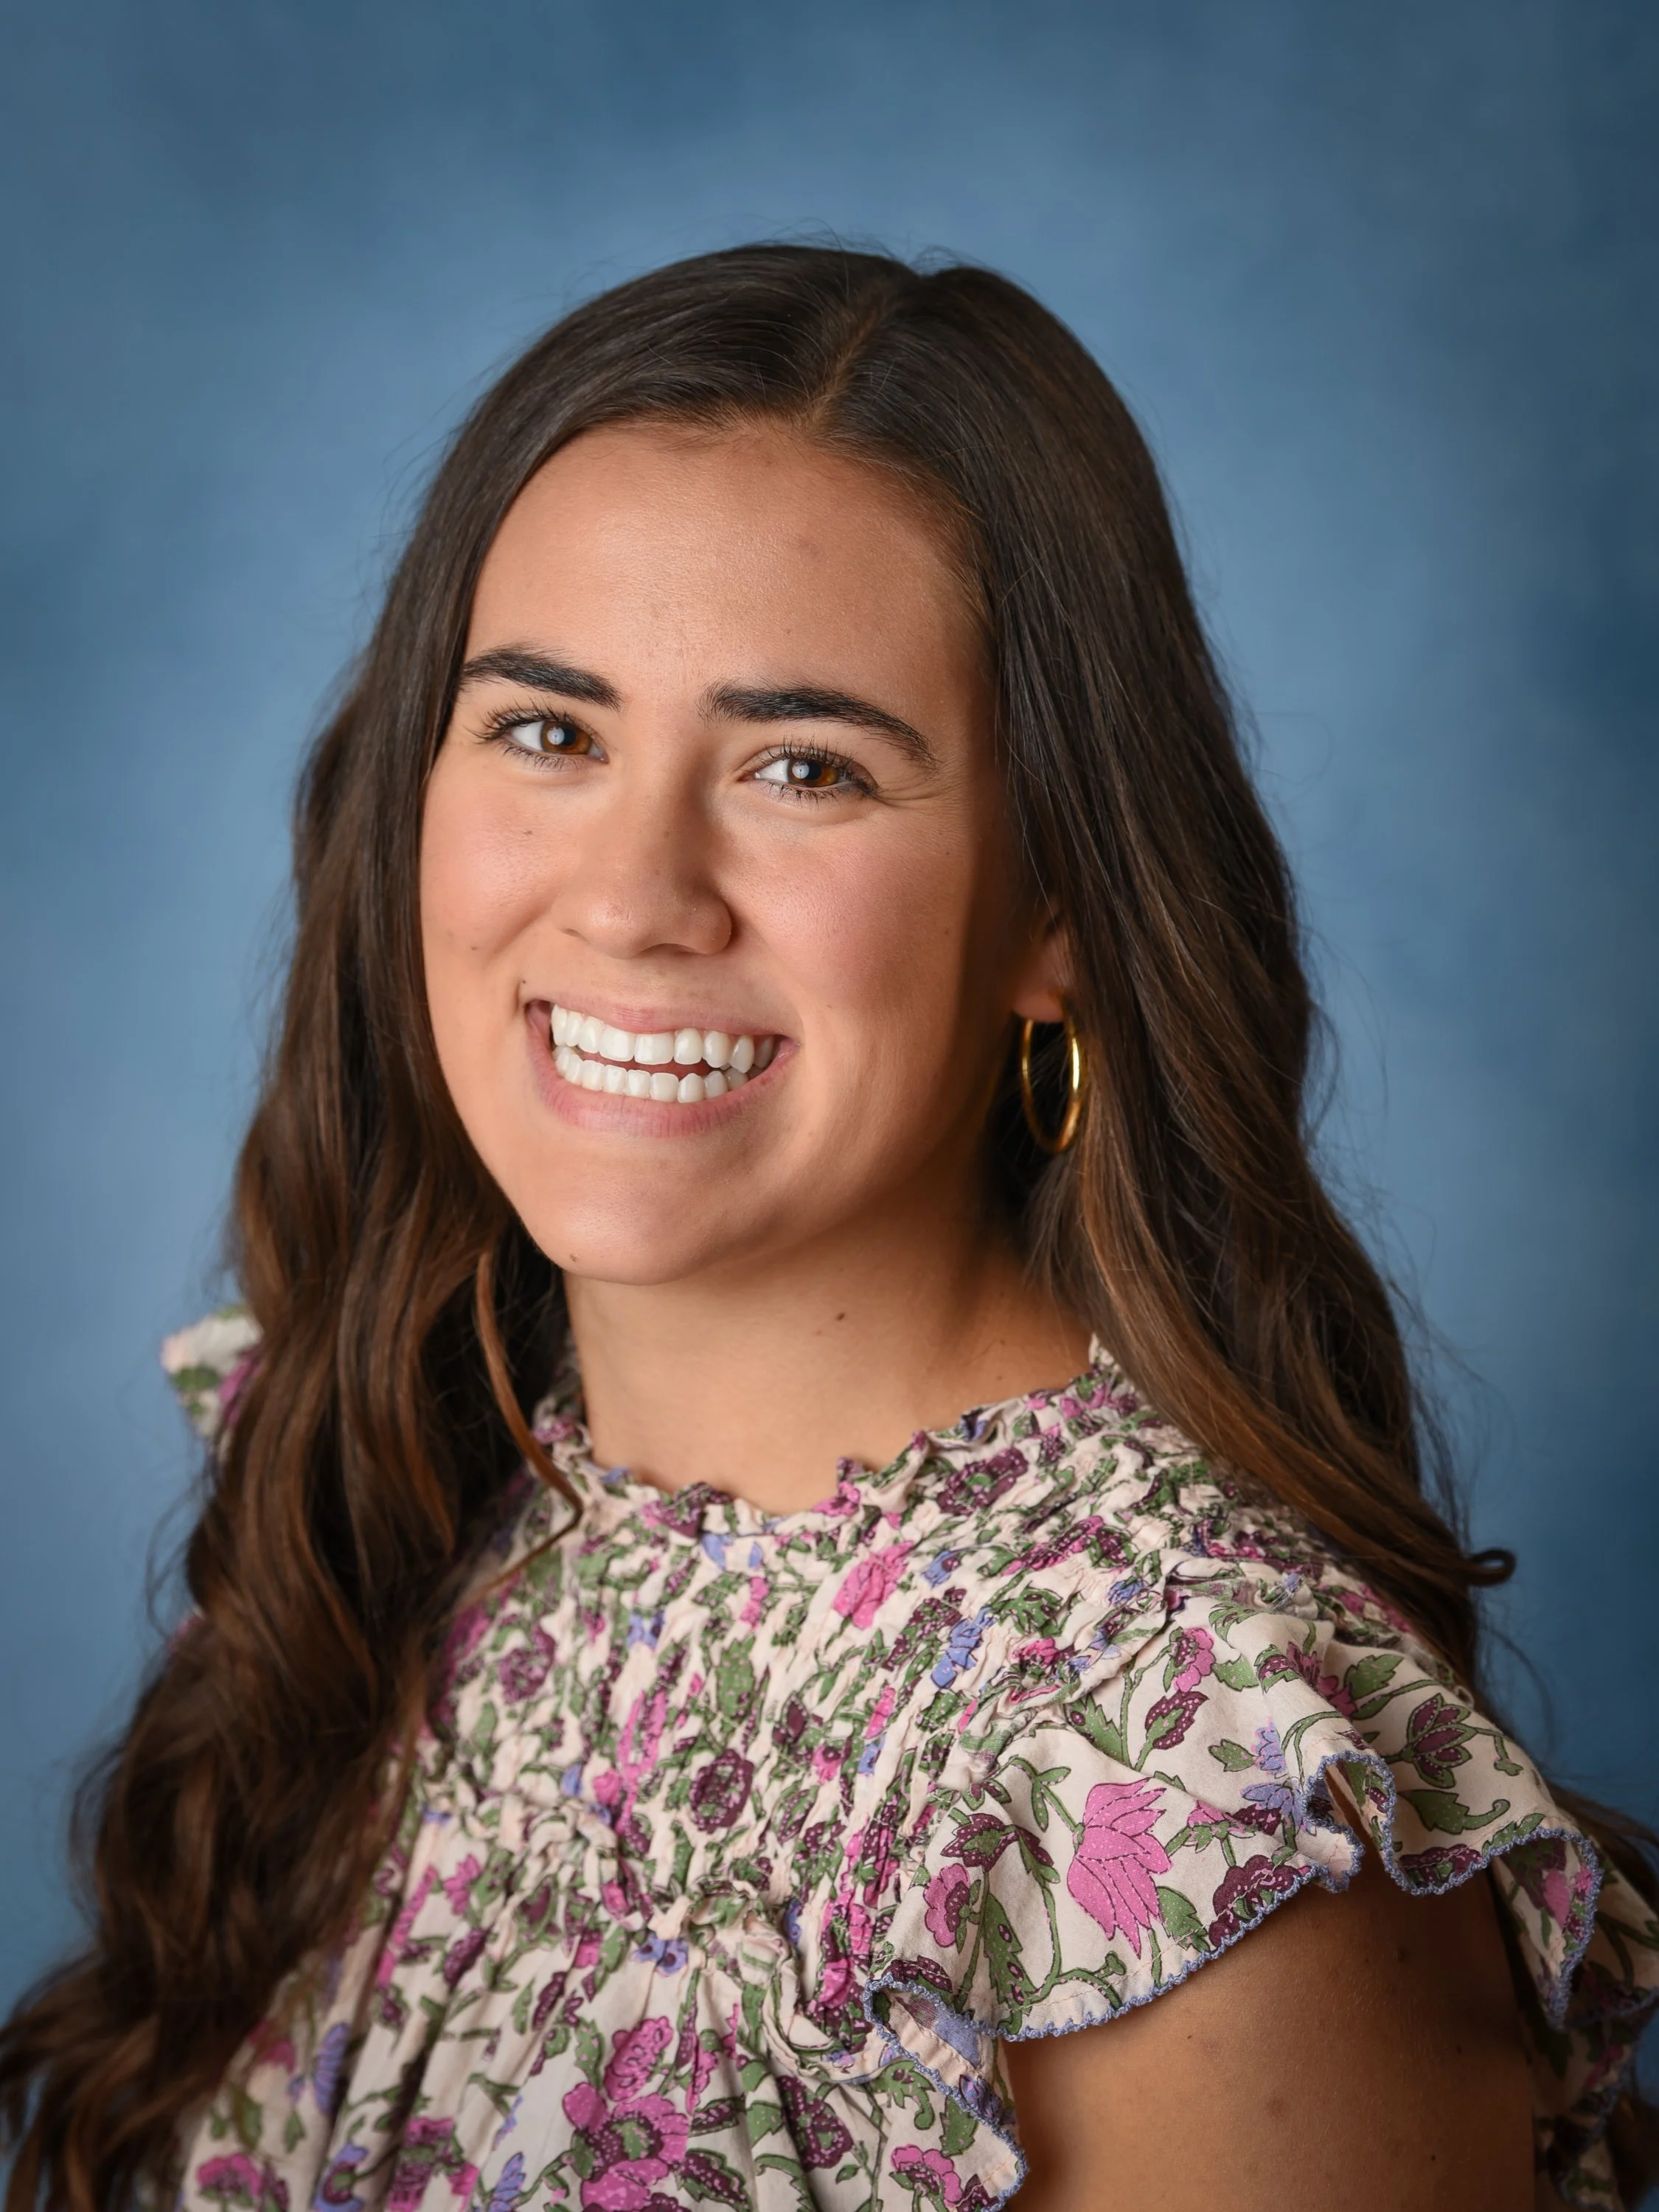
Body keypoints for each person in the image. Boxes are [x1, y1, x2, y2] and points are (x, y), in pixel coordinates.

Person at [1, 245, 1654, 2212]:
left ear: (1062, 913)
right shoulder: (400, 1470)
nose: (633, 898)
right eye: (550, 729)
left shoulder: (1187, 1782)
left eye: (806, 767)